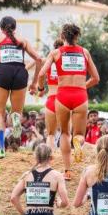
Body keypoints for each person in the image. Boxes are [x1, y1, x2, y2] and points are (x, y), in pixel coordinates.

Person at [39, 23, 100, 179]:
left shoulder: (56, 53)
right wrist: (82, 87)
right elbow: (96, 78)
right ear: (77, 36)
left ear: (62, 36)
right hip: (80, 95)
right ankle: (78, 142)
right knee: (78, 134)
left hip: (62, 95)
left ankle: (67, 171)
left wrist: (40, 88)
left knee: (65, 133)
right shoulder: (84, 52)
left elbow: (41, 74)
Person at [0, 16, 42, 158]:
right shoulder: (23, 41)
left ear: (1, 28)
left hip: (3, 72)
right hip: (20, 73)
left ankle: (1, 148)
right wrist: (34, 82)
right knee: (16, 112)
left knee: (0, 114)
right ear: (15, 28)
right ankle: (15, 120)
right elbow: (38, 59)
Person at [41, 38, 63, 149]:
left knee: (50, 134)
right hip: (64, 98)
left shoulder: (48, 60)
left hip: (51, 98)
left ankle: (49, 157)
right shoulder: (66, 61)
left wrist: (39, 88)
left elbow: (37, 61)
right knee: (65, 133)